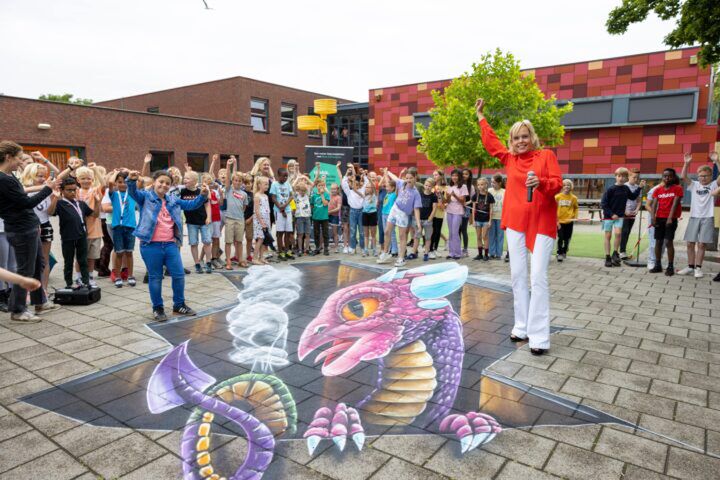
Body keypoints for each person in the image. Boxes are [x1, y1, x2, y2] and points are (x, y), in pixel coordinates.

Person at [476, 98, 562, 356]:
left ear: (532, 137)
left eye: (525, 136)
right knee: (517, 277)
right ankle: (521, 326)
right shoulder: (510, 159)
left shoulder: (546, 155)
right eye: (516, 138)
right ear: (511, 142)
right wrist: (481, 116)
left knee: (537, 277)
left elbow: (557, 183)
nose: (521, 141)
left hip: (542, 223)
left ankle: (539, 337)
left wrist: (542, 183)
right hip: (515, 223)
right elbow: (491, 144)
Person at [127, 167, 208, 322]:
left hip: (170, 244)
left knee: (178, 275)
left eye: (167, 183)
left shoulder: (172, 199)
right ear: (155, 182)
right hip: (151, 245)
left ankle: (179, 305)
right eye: (161, 182)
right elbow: (133, 193)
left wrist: (203, 196)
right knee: (156, 277)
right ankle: (158, 308)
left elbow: (191, 205)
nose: (164, 185)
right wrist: (131, 180)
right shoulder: (145, 197)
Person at [0, 141, 60, 322]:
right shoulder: (4, 179)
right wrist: (48, 188)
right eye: (19, 158)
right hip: (21, 229)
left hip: (27, 227)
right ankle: (18, 310)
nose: (21, 162)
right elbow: (26, 203)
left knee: (37, 265)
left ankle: (39, 302)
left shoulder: (9, 176)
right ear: (8, 157)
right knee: (25, 269)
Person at [49, 177, 102, 289]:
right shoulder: (60, 203)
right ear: (62, 191)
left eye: (74, 190)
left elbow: (95, 215)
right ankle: (69, 283)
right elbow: (50, 212)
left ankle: (86, 281)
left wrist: (97, 202)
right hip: (68, 236)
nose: (72, 192)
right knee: (68, 261)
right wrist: (55, 198)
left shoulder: (81, 203)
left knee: (83, 260)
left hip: (82, 235)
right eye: (69, 190)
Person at [677, 152, 720, 278]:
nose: (703, 178)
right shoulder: (694, 184)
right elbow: (683, 176)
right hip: (694, 217)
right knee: (690, 243)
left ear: (711, 176)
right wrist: (686, 163)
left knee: (702, 244)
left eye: (705, 176)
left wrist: (717, 161)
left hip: (708, 217)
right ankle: (690, 267)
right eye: (701, 176)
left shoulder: (713, 185)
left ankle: (698, 268)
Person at [377, 168, 422, 267]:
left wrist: (418, 223)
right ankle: (385, 253)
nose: (408, 180)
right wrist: (387, 172)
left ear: (415, 178)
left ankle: (401, 258)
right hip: (395, 208)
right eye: (407, 178)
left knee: (402, 236)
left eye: (411, 178)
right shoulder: (402, 184)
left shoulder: (416, 193)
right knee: (387, 231)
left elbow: (416, 209)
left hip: (403, 214)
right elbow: (394, 177)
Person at [20, 162, 54, 292]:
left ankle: (43, 290)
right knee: (30, 260)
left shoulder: (46, 189)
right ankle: (29, 290)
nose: (42, 179)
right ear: (30, 175)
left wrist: (53, 197)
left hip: (45, 225)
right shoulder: (23, 190)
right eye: (39, 176)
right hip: (29, 227)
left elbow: (50, 212)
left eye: (43, 176)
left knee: (44, 260)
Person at [600, 167, 644, 267]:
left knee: (618, 233)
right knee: (608, 236)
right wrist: (611, 214)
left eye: (624, 176)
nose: (621, 178)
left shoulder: (625, 188)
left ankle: (615, 253)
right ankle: (607, 257)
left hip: (619, 217)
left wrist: (640, 187)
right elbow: (603, 204)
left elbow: (633, 197)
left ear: (626, 178)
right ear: (616, 177)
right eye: (619, 176)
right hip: (609, 217)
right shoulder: (610, 189)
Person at [103, 171, 138, 287]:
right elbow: (110, 182)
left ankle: (131, 275)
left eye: (125, 182)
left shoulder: (132, 194)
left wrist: (133, 175)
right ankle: (117, 276)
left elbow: (140, 181)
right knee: (119, 253)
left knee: (129, 252)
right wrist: (117, 172)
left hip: (130, 226)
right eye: (120, 182)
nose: (123, 184)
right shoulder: (114, 194)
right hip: (117, 227)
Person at [649, 168, 683, 276]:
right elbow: (654, 204)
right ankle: (657, 265)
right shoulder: (658, 190)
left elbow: (675, 204)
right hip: (659, 218)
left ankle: (670, 266)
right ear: (662, 177)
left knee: (668, 242)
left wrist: (670, 217)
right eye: (664, 176)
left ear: (673, 177)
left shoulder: (677, 188)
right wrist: (653, 217)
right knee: (658, 242)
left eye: (669, 176)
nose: (667, 178)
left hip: (670, 219)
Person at [75, 167, 104, 286]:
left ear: (92, 179)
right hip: (80, 230)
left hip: (95, 230)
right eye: (83, 178)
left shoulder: (95, 191)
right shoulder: (76, 191)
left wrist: (96, 170)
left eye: (88, 178)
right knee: (80, 256)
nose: (86, 181)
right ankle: (79, 277)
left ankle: (90, 276)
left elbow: (104, 184)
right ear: (78, 180)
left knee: (92, 256)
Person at [181, 171, 213, 274]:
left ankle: (208, 262)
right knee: (193, 243)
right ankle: (197, 263)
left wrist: (209, 216)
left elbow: (207, 204)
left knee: (207, 241)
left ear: (195, 181)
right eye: (184, 178)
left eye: (187, 178)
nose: (185, 180)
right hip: (191, 222)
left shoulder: (200, 191)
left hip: (203, 221)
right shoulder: (182, 192)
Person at [223, 157, 249, 270]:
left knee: (239, 241)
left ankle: (240, 259)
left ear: (242, 182)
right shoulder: (229, 190)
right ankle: (228, 261)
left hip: (240, 219)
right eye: (235, 180)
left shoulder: (244, 194)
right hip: (229, 219)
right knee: (228, 241)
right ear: (232, 181)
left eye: (239, 180)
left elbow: (244, 206)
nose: (237, 182)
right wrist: (229, 166)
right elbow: (229, 177)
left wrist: (240, 215)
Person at [444, 169, 468, 260]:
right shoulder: (449, 187)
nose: (454, 177)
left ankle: (458, 253)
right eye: (453, 175)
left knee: (455, 232)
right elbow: (446, 201)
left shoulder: (463, 186)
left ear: (459, 177)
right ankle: (451, 252)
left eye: (456, 175)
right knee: (450, 232)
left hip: (458, 211)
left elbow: (463, 201)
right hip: (449, 210)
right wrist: (445, 196)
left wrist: (454, 195)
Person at [619, 169, 642, 260]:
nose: (636, 179)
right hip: (624, 213)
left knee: (628, 232)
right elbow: (620, 201)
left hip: (633, 213)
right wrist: (625, 211)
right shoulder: (624, 186)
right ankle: (621, 251)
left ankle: (623, 250)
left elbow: (639, 201)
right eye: (634, 177)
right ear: (629, 177)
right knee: (624, 231)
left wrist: (637, 210)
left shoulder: (638, 187)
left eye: (637, 178)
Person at [414, 177, 438, 261]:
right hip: (419, 219)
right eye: (426, 185)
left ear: (432, 187)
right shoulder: (420, 195)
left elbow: (434, 208)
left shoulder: (434, 196)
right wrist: (417, 220)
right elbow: (416, 207)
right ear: (424, 185)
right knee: (417, 237)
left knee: (428, 238)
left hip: (428, 220)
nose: (427, 187)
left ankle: (426, 253)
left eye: (429, 186)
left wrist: (430, 219)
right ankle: (414, 252)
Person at [471, 177, 495, 261]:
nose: (480, 186)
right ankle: (480, 254)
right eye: (478, 185)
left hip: (485, 220)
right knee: (478, 237)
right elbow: (473, 209)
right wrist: (473, 220)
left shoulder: (490, 196)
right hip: (477, 220)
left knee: (485, 237)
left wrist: (490, 221)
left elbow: (491, 209)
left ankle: (486, 255)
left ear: (486, 185)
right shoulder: (475, 196)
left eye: (482, 184)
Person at [555, 179, 579, 262]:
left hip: (569, 221)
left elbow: (576, 208)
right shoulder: (557, 197)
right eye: (564, 185)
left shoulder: (574, 198)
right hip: (559, 222)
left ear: (571, 187)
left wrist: (575, 216)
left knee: (567, 238)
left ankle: (565, 250)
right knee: (560, 237)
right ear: (562, 186)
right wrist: (556, 221)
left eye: (568, 185)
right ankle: (559, 253)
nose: (566, 187)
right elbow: (553, 209)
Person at [310, 171, 331, 256]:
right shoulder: (314, 195)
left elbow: (325, 203)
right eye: (319, 185)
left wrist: (322, 195)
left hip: (324, 217)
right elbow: (312, 205)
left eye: (323, 185)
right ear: (316, 187)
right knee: (316, 233)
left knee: (325, 233)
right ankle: (317, 247)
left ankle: (326, 248)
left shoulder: (326, 194)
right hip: (316, 217)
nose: (321, 187)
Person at [253, 176, 271, 265]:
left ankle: (261, 257)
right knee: (260, 239)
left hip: (266, 220)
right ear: (259, 185)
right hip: (259, 221)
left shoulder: (266, 196)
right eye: (265, 184)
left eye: (268, 184)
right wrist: (262, 222)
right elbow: (256, 210)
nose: (267, 186)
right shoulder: (257, 196)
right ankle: (254, 258)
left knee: (264, 240)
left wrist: (267, 222)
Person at [292, 176, 312, 256]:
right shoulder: (296, 195)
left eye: (304, 191)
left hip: (307, 217)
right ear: (298, 190)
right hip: (299, 217)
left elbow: (312, 184)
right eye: (301, 190)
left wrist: (305, 178)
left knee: (307, 234)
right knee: (300, 234)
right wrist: (298, 178)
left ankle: (307, 250)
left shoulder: (307, 194)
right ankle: (300, 249)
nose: (302, 192)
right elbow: (293, 186)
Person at [429, 171, 447, 259]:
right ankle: (430, 249)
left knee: (438, 231)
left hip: (441, 212)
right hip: (433, 213)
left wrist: (443, 204)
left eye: (436, 175)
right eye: (433, 175)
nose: (434, 176)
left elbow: (446, 201)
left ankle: (435, 249)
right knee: (432, 231)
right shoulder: (432, 187)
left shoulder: (445, 188)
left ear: (441, 176)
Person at [488, 173, 505, 260]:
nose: (492, 184)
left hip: (501, 218)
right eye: (491, 182)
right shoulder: (489, 191)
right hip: (491, 217)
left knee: (500, 236)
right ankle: (491, 253)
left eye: (494, 182)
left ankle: (498, 254)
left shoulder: (504, 192)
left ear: (499, 183)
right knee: (491, 236)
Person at [380, 178, 398, 257]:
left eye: (388, 187)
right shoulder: (387, 194)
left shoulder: (394, 195)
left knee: (392, 232)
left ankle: (395, 250)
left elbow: (398, 185)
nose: (386, 188)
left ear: (393, 188)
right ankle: (390, 248)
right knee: (386, 233)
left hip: (390, 215)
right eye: (386, 187)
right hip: (383, 214)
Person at [460, 168, 474, 257]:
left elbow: (472, 200)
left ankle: (465, 249)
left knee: (463, 229)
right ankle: (457, 248)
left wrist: (466, 203)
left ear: (469, 176)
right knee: (457, 230)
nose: (464, 175)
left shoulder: (471, 187)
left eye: (466, 174)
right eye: (463, 174)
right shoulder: (458, 185)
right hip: (456, 209)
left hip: (465, 209)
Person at [361, 180, 378, 257]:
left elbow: (374, 187)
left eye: (369, 187)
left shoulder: (374, 195)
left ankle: (374, 250)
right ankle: (366, 250)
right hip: (365, 214)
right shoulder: (364, 196)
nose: (367, 188)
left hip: (373, 214)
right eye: (366, 187)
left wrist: (369, 179)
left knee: (373, 234)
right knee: (366, 234)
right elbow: (354, 190)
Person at [328, 184, 342, 253]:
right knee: (324, 231)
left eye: (334, 189)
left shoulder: (338, 197)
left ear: (337, 190)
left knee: (335, 232)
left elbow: (338, 208)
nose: (333, 190)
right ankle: (323, 246)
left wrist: (329, 212)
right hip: (327, 216)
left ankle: (336, 247)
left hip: (334, 216)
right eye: (332, 189)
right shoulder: (328, 195)